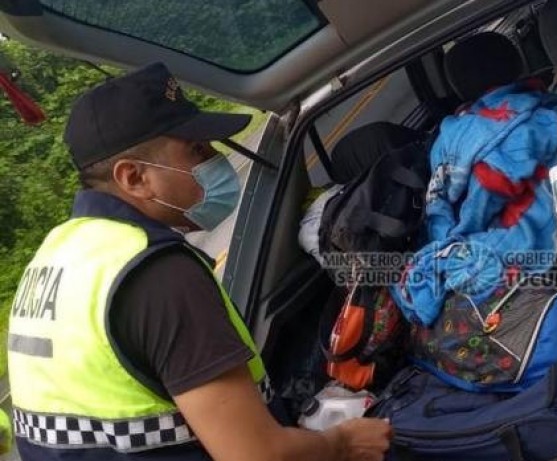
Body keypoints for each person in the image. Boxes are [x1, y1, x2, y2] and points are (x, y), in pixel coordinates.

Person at [6, 62, 391, 461]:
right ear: (134, 178)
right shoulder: (158, 276)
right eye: (197, 150)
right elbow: (258, 456)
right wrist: (342, 443)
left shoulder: (57, 256)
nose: (215, 159)